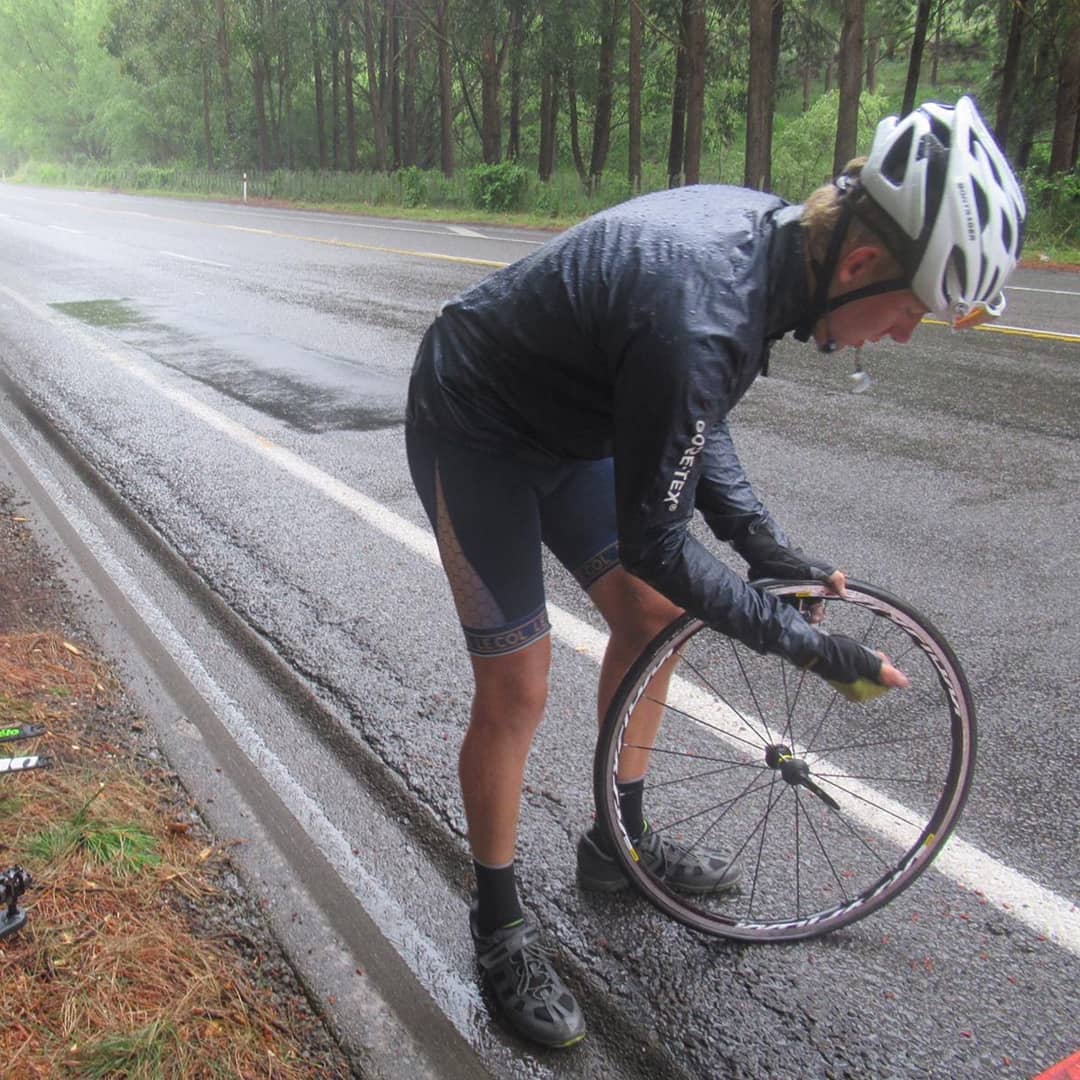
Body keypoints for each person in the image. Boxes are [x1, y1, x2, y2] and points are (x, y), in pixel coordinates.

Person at [405, 96, 1025, 1048]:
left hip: (577, 423)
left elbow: (697, 420)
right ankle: (498, 925)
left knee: (650, 620)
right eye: (911, 311)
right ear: (859, 265)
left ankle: (620, 842)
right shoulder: (705, 308)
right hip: (475, 424)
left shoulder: (770, 253)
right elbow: (661, 525)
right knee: (520, 683)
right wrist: (811, 648)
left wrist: (770, 552)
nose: (903, 336)